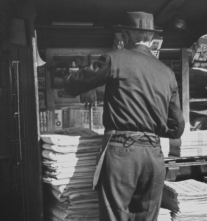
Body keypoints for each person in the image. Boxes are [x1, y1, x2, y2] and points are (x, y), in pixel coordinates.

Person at [63, 11, 185, 221]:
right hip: (153, 155)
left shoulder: (115, 59)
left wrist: (71, 75)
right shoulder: (167, 73)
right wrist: (151, 129)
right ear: (151, 38)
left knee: (116, 216)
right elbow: (177, 127)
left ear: (126, 36)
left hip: (121, 153)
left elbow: (74, 84)